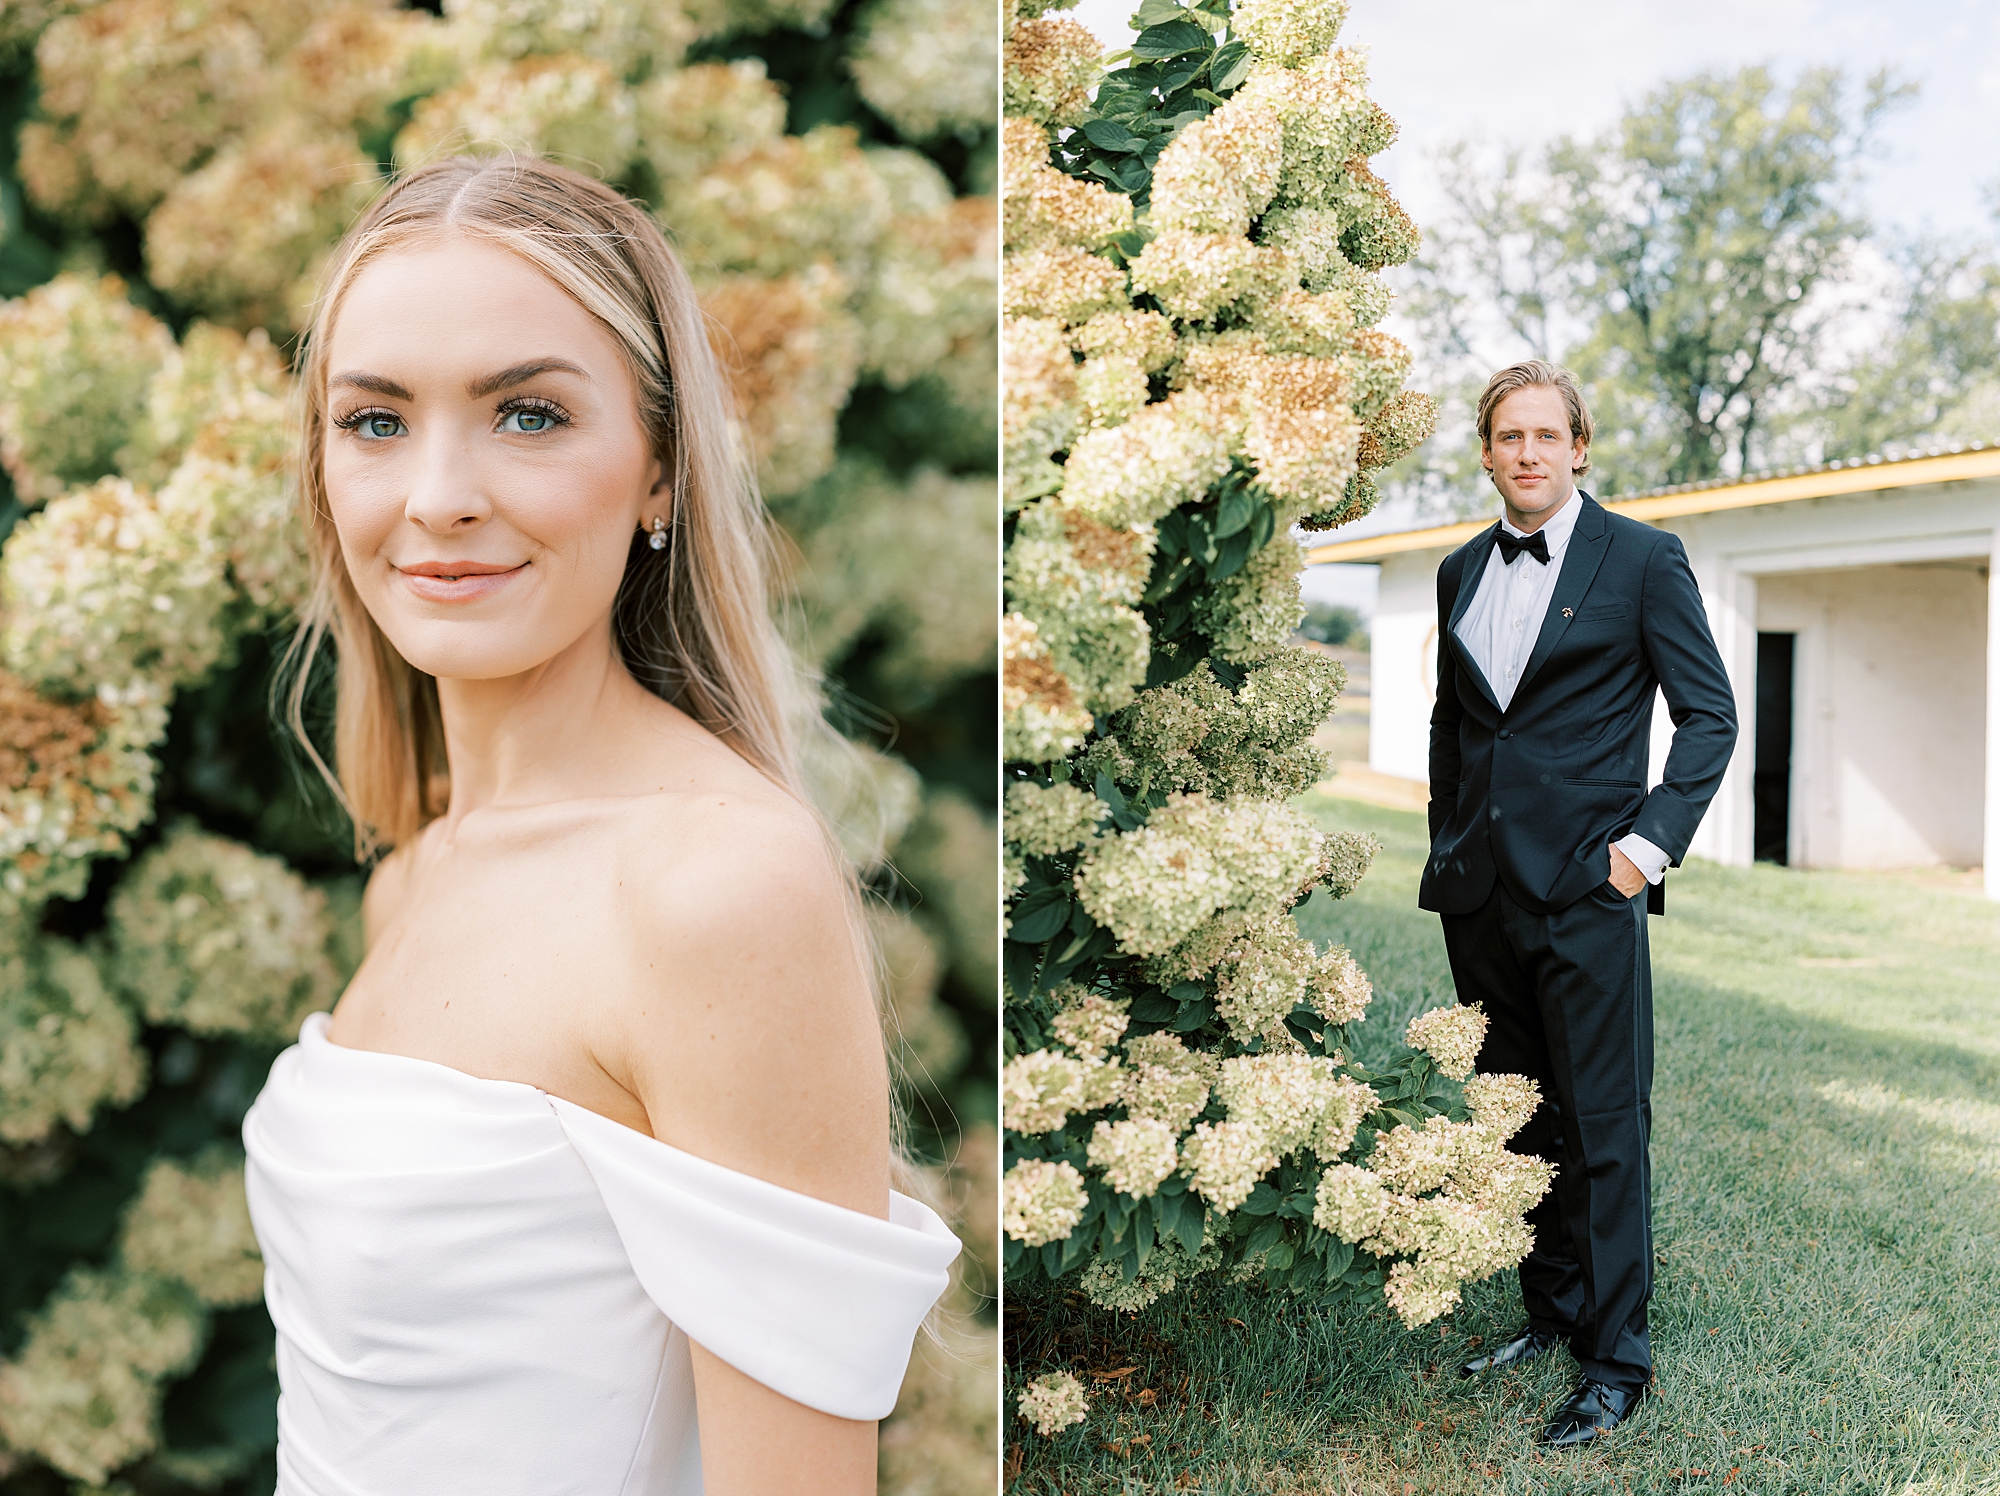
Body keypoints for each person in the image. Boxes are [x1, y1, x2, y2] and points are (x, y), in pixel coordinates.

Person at [239, 154, 960, 1495]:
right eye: (377, 421)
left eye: (526, 415)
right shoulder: (415, 873)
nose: (439, 494)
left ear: (660, 475)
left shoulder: (712, 887)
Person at [1419, 360, 1736, 1446]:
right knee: (1513, 1122)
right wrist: (1444, 842)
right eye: (1507, 436)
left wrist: (1641, 853)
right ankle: (1547, 1315)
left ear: (1578, 447)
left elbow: (1708, 716)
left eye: (1545, 435)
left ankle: (1613, 1363)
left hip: (1588, 893)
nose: (1526, 453)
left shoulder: (1643, 558)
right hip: (1480, 895)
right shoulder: (1458, 566)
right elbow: (1456, 726)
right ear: (1485, 450)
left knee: (1603, 1129)